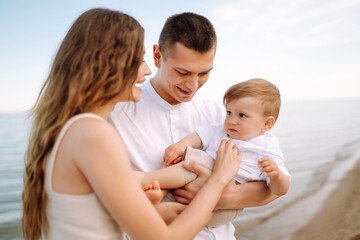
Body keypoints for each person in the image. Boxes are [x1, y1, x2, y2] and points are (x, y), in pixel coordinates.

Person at [22, 8, 242, 240]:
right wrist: (218, 180)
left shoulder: (76, 129)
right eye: (138, 61)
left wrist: (153, 205)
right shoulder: (94, 132)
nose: (146, 70)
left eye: (203, 73)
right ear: (107, 65)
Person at [109, 12, 278, 239]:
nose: (192, 84)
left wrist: (220, 194)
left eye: (204, 73)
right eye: (183, 72)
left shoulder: (222, 115)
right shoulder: (116, 113)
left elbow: (271, 186)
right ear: (157, 57)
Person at [136, 78, 291, 227]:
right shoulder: (221, 130)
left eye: (242, 115)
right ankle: (160, 195)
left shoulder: (267, 148)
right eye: (229, 112)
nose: (232, 120)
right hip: (198, 206)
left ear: (267, 123)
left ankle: (143, 179)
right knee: (180, 157)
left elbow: (280, 190)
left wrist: (276, 176)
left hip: (225, 205)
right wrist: (182, 145)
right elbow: (199, 136)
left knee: (197, 161)